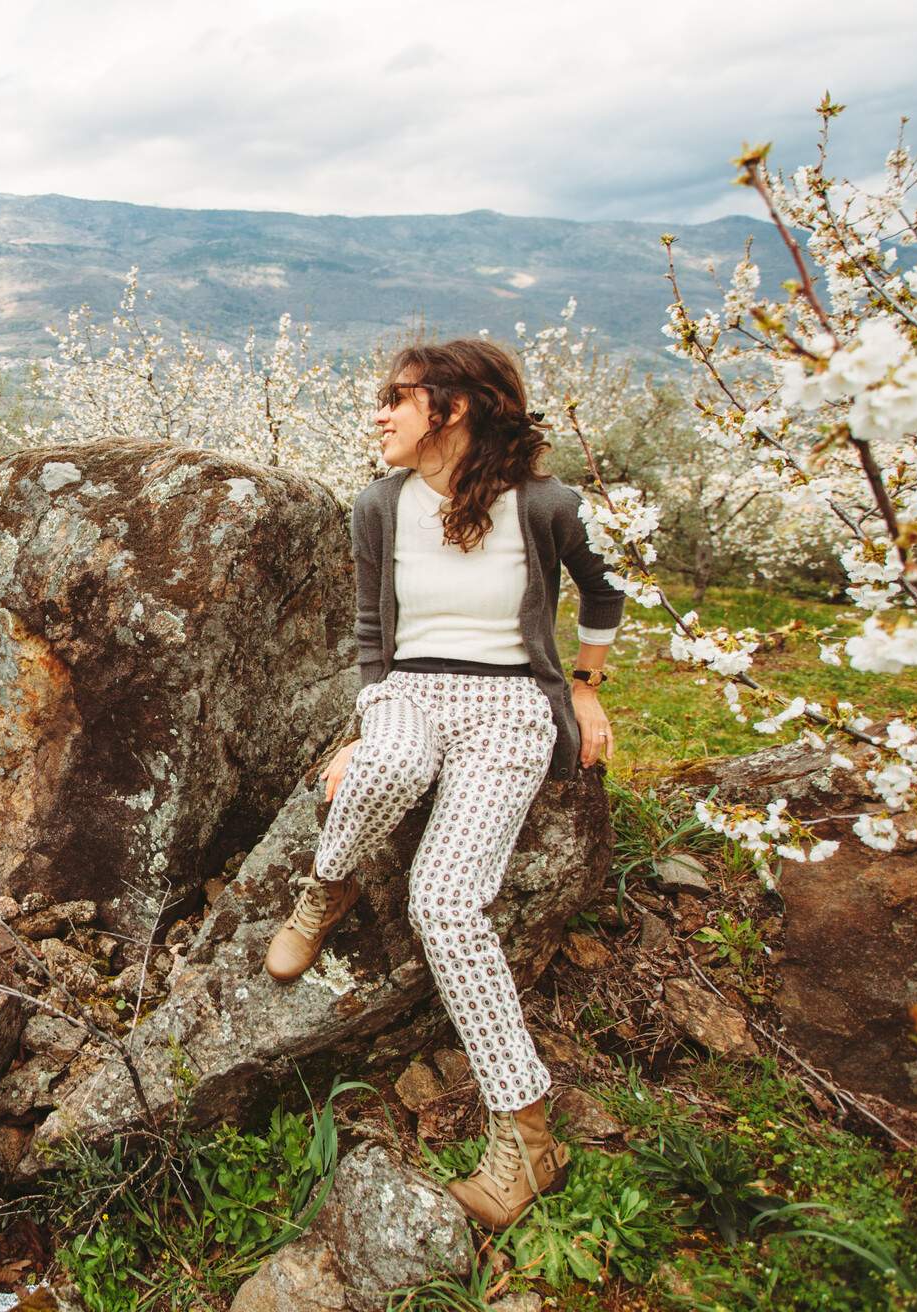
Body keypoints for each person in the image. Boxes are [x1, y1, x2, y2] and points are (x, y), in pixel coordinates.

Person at [263, 337, 626, 1231]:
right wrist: (368, 720)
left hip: (509, 708)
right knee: (381, 766)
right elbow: (368, 630)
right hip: (410, 692)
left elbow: (605, 593)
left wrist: (583, 689)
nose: (379, 414)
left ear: (452, 408)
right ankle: (327, 887)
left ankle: (526, 1134)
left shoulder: (548, 505)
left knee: (446, 905)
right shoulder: (378, 505)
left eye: (396, 397)